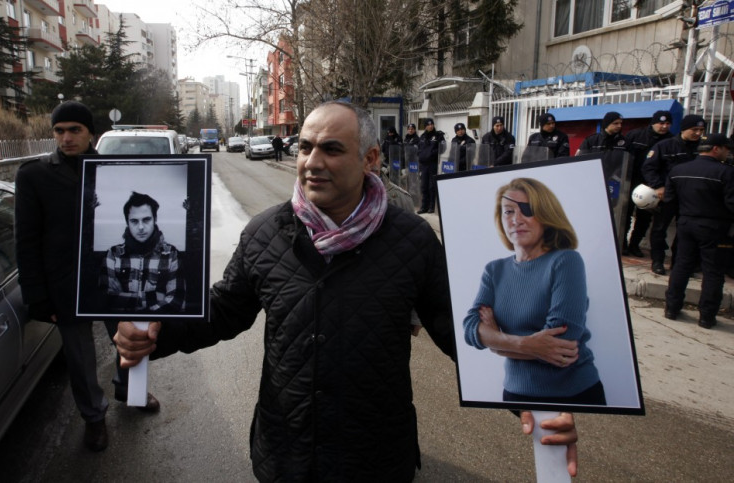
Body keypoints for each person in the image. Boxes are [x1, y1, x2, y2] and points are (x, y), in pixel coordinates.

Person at [113, 101, 579, 480]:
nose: (312, 163)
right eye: (305, 148)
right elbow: (225, 311)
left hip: (374, 456)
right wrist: (159, 333)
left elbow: (456, 329)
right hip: (286, 452)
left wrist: (535, 404)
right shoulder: (264, 234)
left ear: (370, 159)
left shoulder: (411, 239)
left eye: (332, 150)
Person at [14, 101, 160, 453]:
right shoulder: (33, 175)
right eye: (59, 131)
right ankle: (94, 418)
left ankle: (131, 392)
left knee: (132, 339)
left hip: (118, 276)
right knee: (79, 358)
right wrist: (37, 295)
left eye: (74, 130)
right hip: (65, 284)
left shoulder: (118, 169)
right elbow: (27, 240)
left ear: (90, 133)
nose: (66, 138)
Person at [463, 178, 605, 406]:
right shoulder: (494, 270)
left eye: (527, 210)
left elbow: (562, 343)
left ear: (546, 215)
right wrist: (523, 345)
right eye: (508, 211)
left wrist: (497, 343)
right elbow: (470, 329)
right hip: (514, 393)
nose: (516, 219)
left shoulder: (566, 260)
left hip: (574, 395)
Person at [663, 133, 734, 329]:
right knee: (713, 272)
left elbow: (669, 200)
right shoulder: (726, 173)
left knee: (681, 266)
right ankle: (706, 316)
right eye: (726, 149)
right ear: (716, 149)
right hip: (715, 227)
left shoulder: (679, 170)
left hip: (685, 224)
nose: (727, 153)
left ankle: (672, 308)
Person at [99, 191, 186, 314]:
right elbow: (106, 300)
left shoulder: (171, 254)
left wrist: (125, 298)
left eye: (146, 220)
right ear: (127, 223)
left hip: (162, 328)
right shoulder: (114, 254)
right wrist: (158, 296)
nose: (140, 227)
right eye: (134, 221)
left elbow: (177, 302)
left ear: (155, 219)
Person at [642, 114, 706, 275]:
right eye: (694, 129)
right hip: (668, 196)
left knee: (685, 232)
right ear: (684, 129)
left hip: (692, 199)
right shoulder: (665, 146)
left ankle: (679, 263)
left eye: (701, 130)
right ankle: (657, 260)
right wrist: (658, 186)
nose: (698, 133)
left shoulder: (704, 149)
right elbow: (648, 168)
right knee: (659, 230)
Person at [623, 111, 674, 257]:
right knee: (625, 215)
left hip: (653, 186)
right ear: (653, 123)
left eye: (667, 124)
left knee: (644, 218)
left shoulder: (671, 141)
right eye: (661, 123)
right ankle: (622, 244)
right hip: (632, 181)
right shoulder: (636, 135)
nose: (664, 126)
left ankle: (635, 244)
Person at [416, 118, 445, 214]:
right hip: (423, 164)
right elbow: (419, 148)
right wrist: (421, 155)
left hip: (432, 164)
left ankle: (431, 207)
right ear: (425, 126)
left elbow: (442, 148)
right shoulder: (423, 136)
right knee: (424, 186)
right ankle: (424, 206)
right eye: (428, 125)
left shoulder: (438, 135)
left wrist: (432, 153)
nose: (430, 126)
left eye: (432, 124)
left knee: (431, 186)